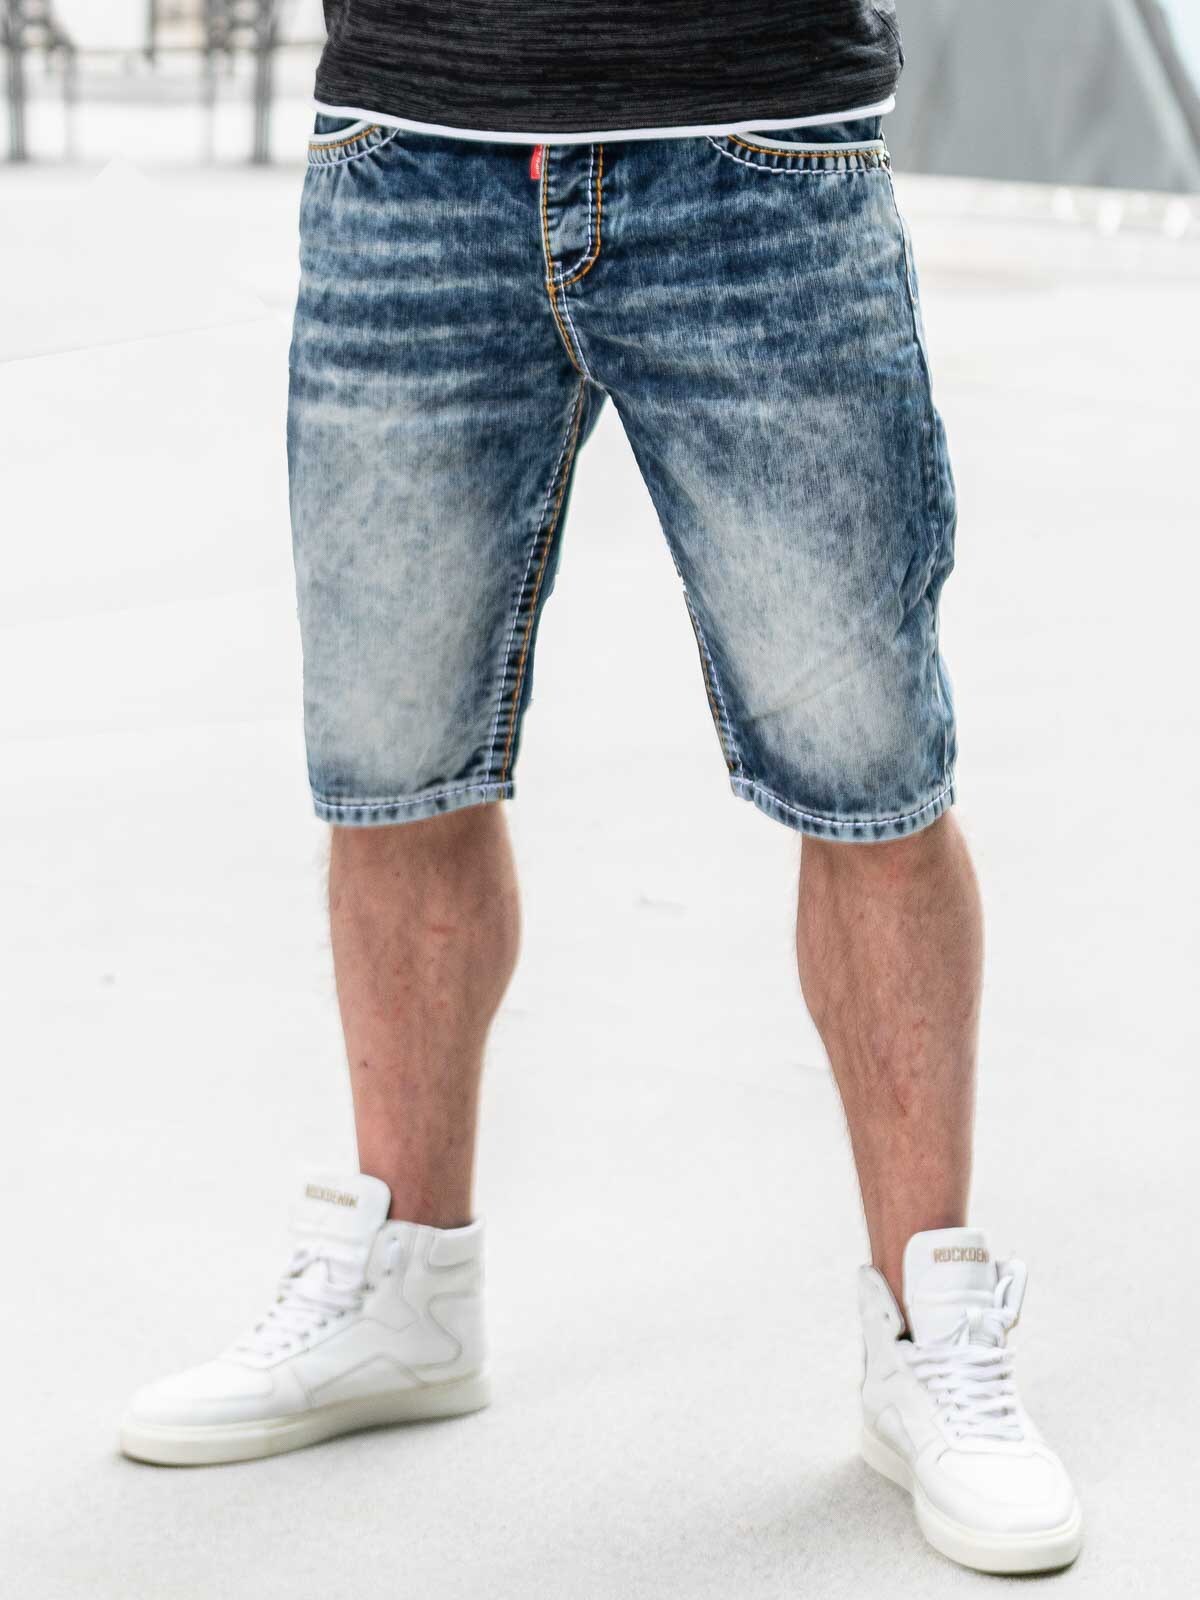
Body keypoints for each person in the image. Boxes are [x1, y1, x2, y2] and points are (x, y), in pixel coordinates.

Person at [120, 1, 1081, 1576]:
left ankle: (932, 1333)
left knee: (870, 772)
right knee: (389, 760)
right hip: (410, 148)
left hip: (755, 144)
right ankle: (407, 1294)